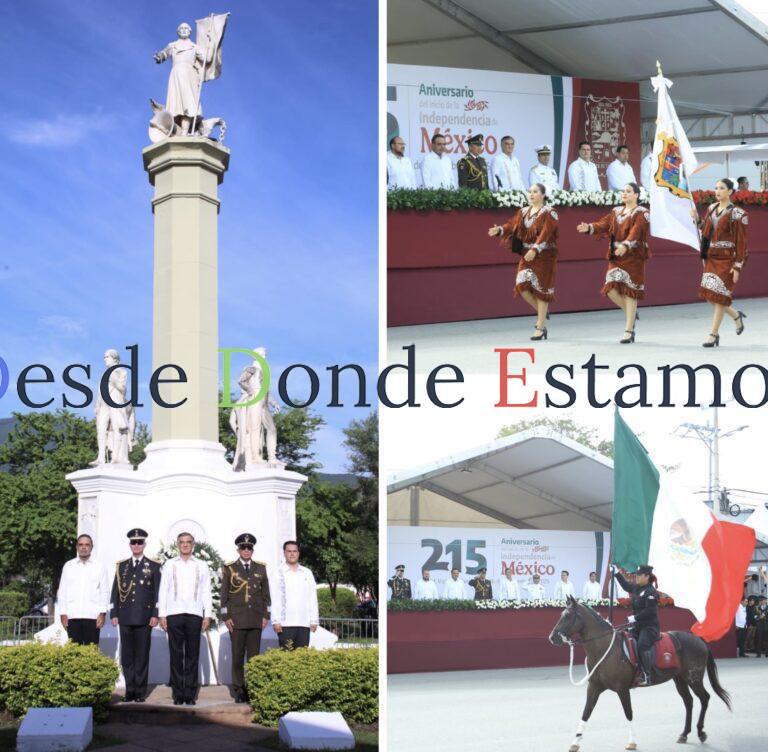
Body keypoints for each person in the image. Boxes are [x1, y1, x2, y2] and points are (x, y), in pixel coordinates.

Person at [577, 182, 649, 343]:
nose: (624, 193)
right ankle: (631, 313)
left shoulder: (642, 213)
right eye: (623, 191)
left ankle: (629, 330)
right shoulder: (616, 211)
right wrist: (589, 227)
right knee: (610, 289)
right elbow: (604, 224)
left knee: (630, 291)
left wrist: (626, 245)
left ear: (636, 195)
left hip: (634, 256)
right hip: (616, 255)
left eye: (628, 191)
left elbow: (636, 232)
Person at [488, 183, 558, 341]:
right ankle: (542, 312)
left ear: (543, 195)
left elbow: (546, 234)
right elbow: (511, 225)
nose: (531, 194)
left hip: (545, 255)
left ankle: (540, 327)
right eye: (530, 191)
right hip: (526, 254)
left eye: (535, 192)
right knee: (521, 285)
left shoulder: (550, 212)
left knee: (542, 291)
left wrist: (535, 249)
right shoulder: (523, 211)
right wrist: (500, 230)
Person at [692, 178, 748, 347]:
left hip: (727, 260)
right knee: (711, 296)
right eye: (716, 188)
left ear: (730, 191)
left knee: (721, 297)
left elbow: (742, 243)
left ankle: (713, 334)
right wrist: (697, 219)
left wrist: (737, 267)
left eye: (722, 188)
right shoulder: (711, 208)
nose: (717, 191)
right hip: (711, 257)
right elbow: (706, 230)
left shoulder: (738, 214)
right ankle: (736, 315)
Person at [158, 532, 213, 705]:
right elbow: (163, 589)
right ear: (177, 544)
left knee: (192, 654)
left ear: (193, 545)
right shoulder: (170, 564)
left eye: (188, 542)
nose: (185, 545)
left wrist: (207, 614)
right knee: (176, 655)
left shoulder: (201, 565)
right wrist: (162, 614)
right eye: (182, 542)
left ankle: (189, 694)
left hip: (194, 613)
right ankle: (177, 694)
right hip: (174, 613)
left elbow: (206, 590)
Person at [110, 528, 161, 702]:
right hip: (125, 617)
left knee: (141, 656)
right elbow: (115, 592)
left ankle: (140, 692)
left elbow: (157, 592)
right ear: (130, 545)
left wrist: (155, 614)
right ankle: (129, 690)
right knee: (127, 656)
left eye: (139, 542)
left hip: (144, 617)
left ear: (144, 544)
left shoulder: (153, 565)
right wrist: (114, 613)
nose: (136, 545)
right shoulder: (122, 566)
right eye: (134, 542)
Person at [220, 533, 270, 703]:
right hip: (237, 620)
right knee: (237, 657)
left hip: (256, 619)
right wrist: (226, 616)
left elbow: (266, 595)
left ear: (252, 550)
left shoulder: (260, 568)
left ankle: (253, 689)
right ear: (238, 550)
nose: (246, 550)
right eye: (243, 547)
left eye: (249, 548)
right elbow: (224, 595)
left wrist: (266, 615)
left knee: (254, 658)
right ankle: (239, 690)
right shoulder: (229, 568)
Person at [153, 23, 212, 135]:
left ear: (190, 32)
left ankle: (185, 131)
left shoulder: (194, 47)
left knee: (188, 102)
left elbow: (207, 59)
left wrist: (210, 42)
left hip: (190, 75)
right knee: (175, 104)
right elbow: (163, 54)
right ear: (178, 32)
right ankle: (176, 129)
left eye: (186, 29)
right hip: (176, 74)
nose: (184, 30)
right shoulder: (173, 45)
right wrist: (159, 57)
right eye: (182, 28)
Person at [57, 534, 110, 646]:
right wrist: (62, 613)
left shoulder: (100, 566)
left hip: (93, 617)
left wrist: (102, 613)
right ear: (77, 547)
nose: (84, 547)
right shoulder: (68, 566)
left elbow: (104, 591)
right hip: (72, 616)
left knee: (91, 651)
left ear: (92, 547)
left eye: (87, 545)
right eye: (81, 545)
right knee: (74, 651)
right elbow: (62, 592)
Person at [611, 564, 660, 686]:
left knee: (643, 644)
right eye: (636, 575)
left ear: (647, 576)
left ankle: (647, 675)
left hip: (649, 627)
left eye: (639, 575)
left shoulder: (651, 592)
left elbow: (650, 611)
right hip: (637, 626)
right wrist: (616, 573)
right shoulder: (637, 587)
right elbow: (626, 585)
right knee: (622, 639)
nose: (636, 577)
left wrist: (635, 617)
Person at [271, 541, 319, 650]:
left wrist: (314, 620)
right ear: (284, 553)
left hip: (304, 623)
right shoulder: (277, 573)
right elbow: (274, 598)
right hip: (285, 624)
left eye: (294, 551)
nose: (292, 554)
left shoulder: (307, 573)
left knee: (302, 656)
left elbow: (312, 597)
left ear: (298, 553)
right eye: (289, 551)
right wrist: (275, 621)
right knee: (286, 655)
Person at [91, 349, 135, 466]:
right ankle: (100, 457)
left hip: (115, 401)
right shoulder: (104, 374)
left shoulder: (121, 371)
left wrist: (113, 380)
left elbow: (123, 389)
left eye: (107, 357)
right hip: (103, 403)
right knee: (101, 430)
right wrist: (97, 405)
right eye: (104, 357)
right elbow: (100, 391)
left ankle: (116, 457)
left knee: (117, 428)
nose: (105, 359)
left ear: (114, 358)